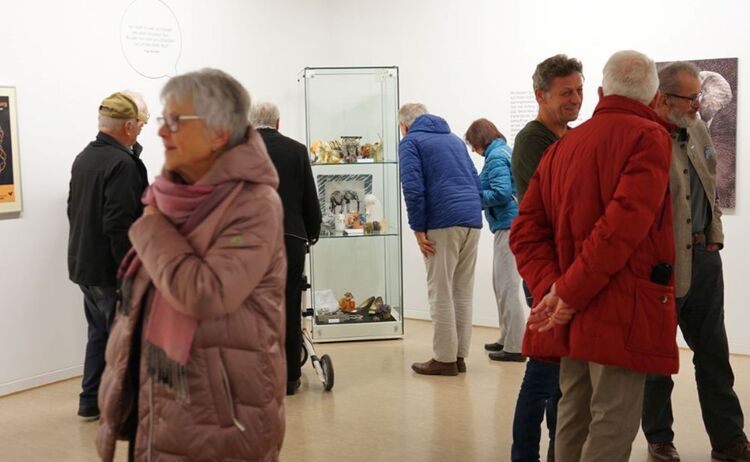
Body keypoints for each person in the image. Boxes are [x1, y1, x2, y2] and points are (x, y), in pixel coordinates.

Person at [95, 69, 286, 462]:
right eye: (163, 120)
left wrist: (150, 230)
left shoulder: (254, 204)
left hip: (219, 414)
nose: (162, 133)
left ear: (218, 133)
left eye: (176, 122)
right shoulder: (171, 196)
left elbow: (204, 293)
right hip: (161, 402)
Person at [510, 50, 679, 462]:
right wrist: (564, 294)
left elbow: (526, 231)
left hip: (572, 309)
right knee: (612, 420)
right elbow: (620, 231)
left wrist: (553, 288)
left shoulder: (565, 146)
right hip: (619, 310)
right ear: (655, 96)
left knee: (573, 412)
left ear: (602, 91)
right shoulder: (648, 137)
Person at [642, 61, 750, 462]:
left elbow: (710, 186)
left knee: (714, 354)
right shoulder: (647, 139)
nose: (698, 103)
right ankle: (659, 438)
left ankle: (729, 440)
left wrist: (715, 238)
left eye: (699, 96)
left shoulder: (698, 126)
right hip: (663, 265)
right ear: (664, 98)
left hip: (704, 260)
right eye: (691, 97)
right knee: (658, 359)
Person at [508, 54, 583, 462]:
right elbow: (553, 208)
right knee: (542, 370)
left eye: (579, 90)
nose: (575, 99)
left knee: (561, 373)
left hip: (564, 268)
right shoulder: (533, 141)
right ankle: (525, 455)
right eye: (566, 92)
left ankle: (560, 450)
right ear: (541, 95)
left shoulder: (566, 137)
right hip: (545, 270)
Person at [67, 90, 149, 421]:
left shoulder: (86, 157)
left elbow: (74, 210)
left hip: (84, 266)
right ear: (128, 126)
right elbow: (119, 224)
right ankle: (122, 409)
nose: (142, 129)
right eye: (140, 124)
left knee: (99, 334)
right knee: (124, 342)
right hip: (111, 269)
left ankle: (90, 401)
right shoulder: (122, 165)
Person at [398, 103, 482, 376]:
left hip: (442, 221)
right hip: (471, 220)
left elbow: (413, 187)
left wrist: (417, 228)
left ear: (405, 126)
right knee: (462, 290)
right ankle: (459, 356)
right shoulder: (455, 139)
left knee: (440, 290)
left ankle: (444, 359)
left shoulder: (411, 141)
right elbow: (475, 179)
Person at [251, 101, 322, 396]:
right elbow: (309, 199)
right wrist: (312, 233)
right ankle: (289, 378)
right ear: (278, 123)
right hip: (289, 238)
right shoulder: (296, 150)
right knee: (290, 305)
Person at [464, 118, 526, 363]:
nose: (472, 150)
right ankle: (506, 337)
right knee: (500, 284)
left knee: (508, 286)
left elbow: (500, 192)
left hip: (509, 226)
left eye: (473, 144)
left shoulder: (496, 156)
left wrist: (474, 198)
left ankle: (515, 346)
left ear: (480, 139)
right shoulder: (500, 152)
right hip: (505, 225)